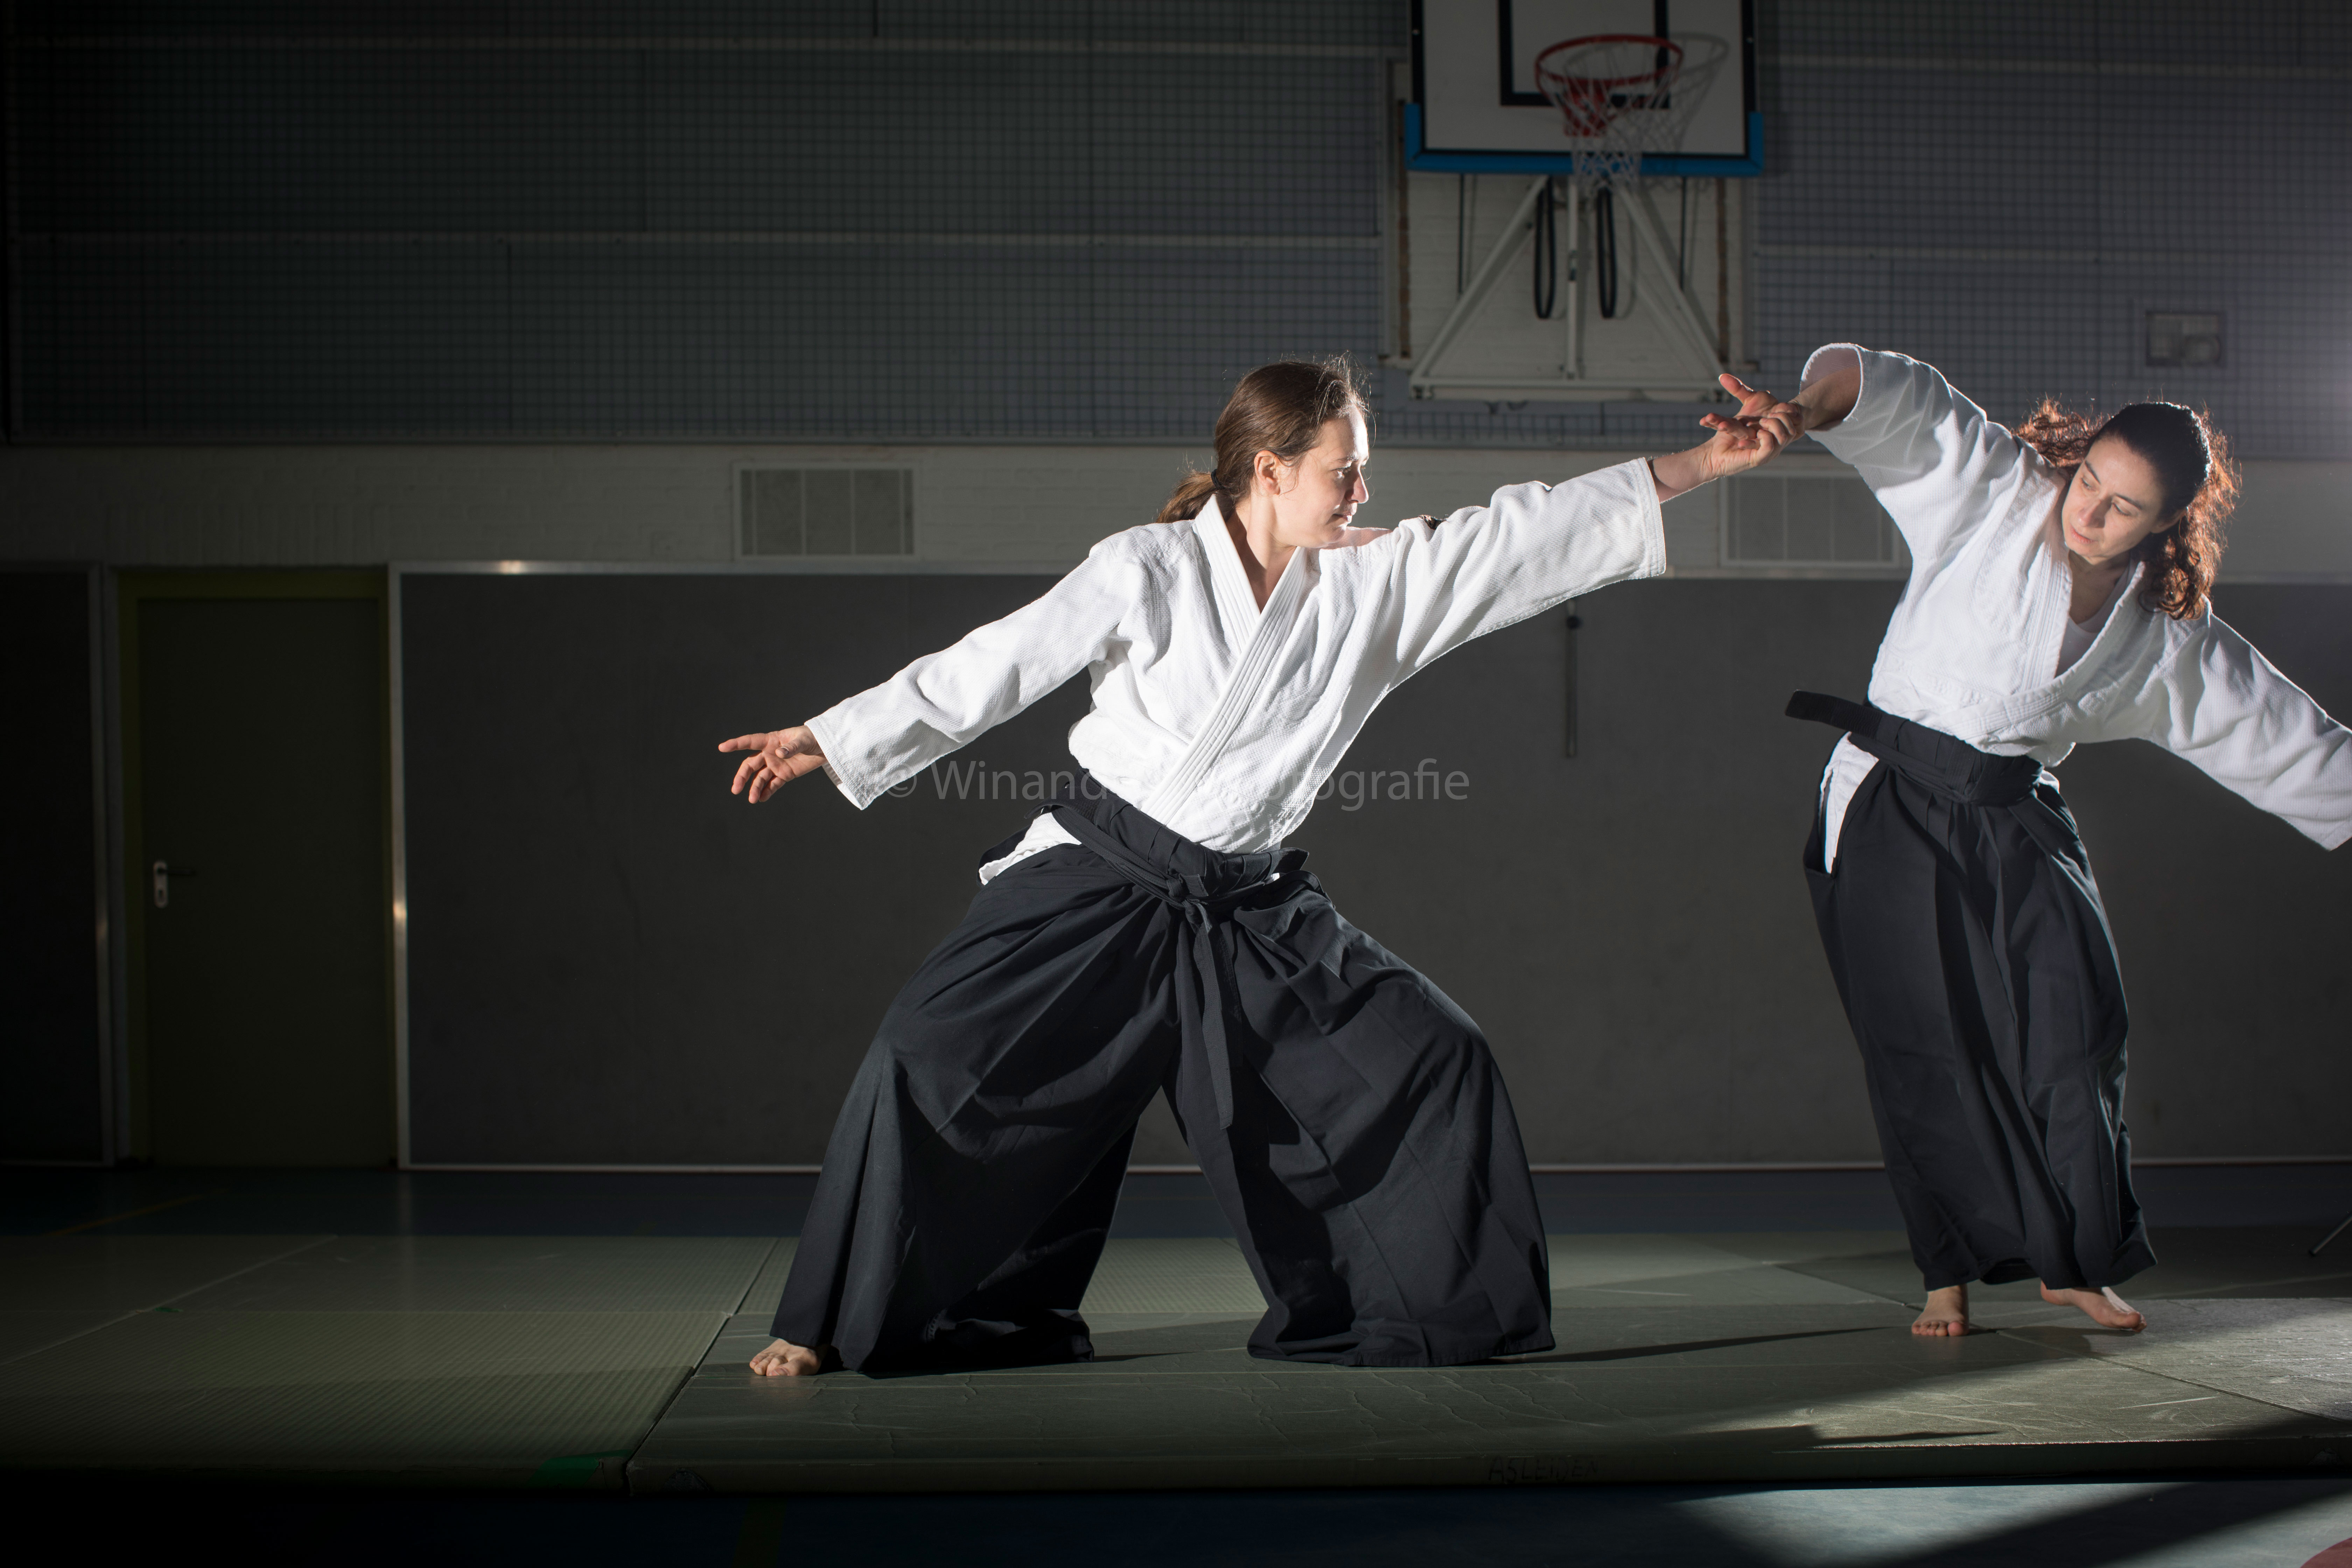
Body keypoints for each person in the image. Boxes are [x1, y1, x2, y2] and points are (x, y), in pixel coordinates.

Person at [718, 359, 1801, 1375]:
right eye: (1343, 470)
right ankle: (835, 1323)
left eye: (1362, 469)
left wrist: (1704, 464)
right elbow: (997, 663)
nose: (1362, 490)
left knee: (1437, 1059)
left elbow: (1529, 532)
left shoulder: (1376, 582)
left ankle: (1417, 1313)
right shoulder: (1147, 567)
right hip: (1096, 878)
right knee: (922, 1057)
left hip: (1248, 908)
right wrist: (835, 738)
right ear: (1270, 472)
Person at [1776, 345, 2352, 1337]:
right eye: (2090, 482)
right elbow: (1901, 398)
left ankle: (2076, 1262)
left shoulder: (2166, 636)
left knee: (2081, 1033)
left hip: (2015, 810)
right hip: (1891, 802)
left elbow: (2295, 738)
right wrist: (1805, 407)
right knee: (1925, 1044)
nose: (2090, 513)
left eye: (2124, 507)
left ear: (2167, 522)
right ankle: (1947, 1273)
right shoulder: (1999, 498)